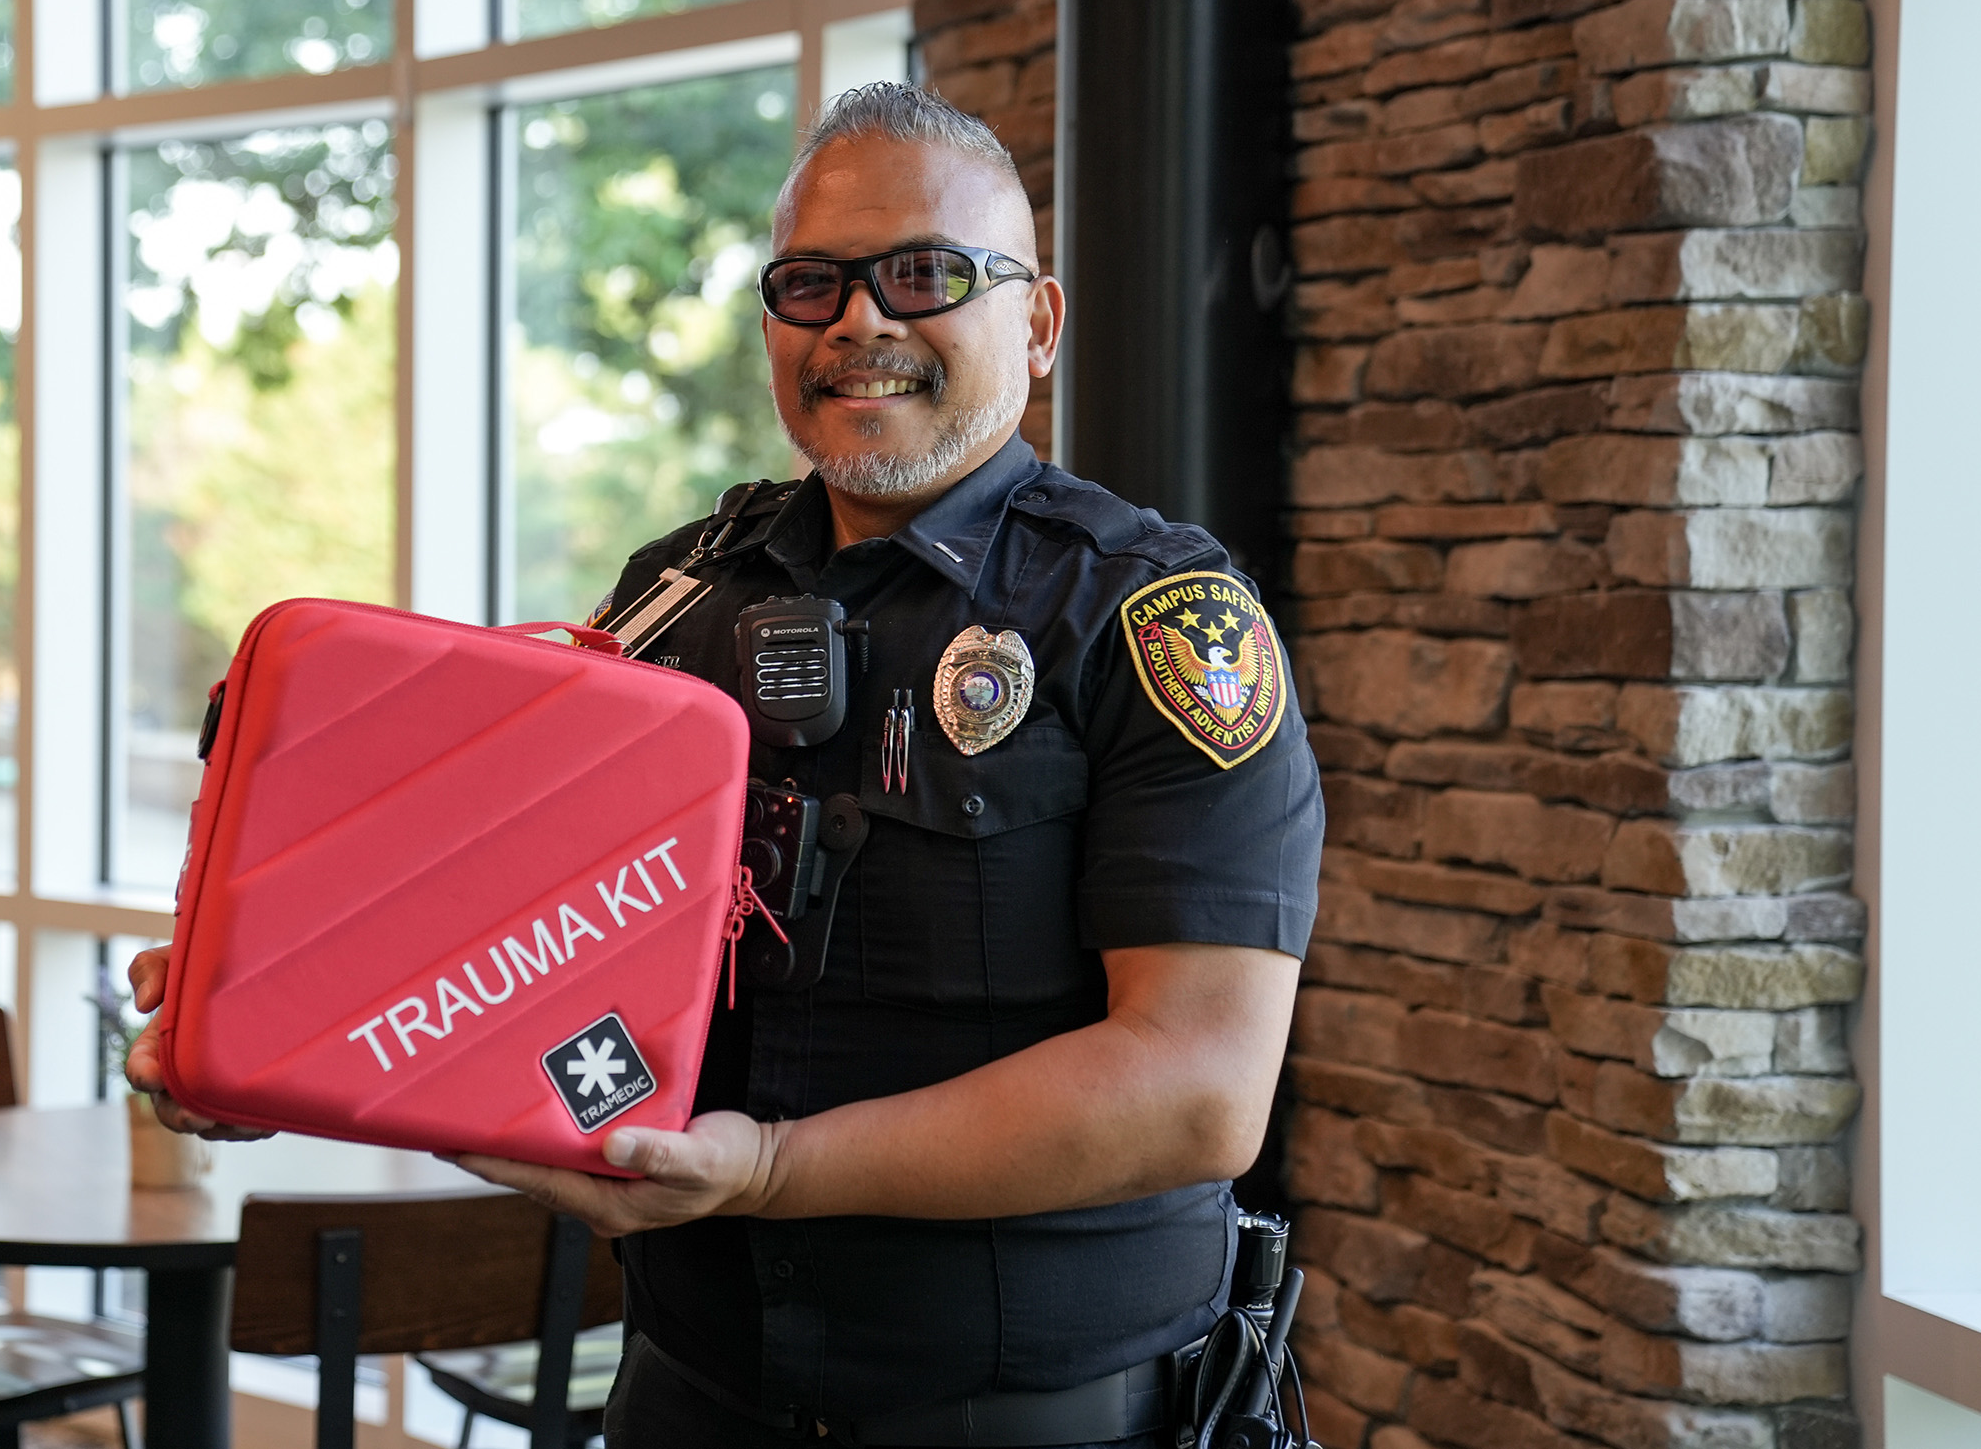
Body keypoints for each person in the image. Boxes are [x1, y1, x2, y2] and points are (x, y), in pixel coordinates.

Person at [125, 83, 1323, 1448]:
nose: (862, 320)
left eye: (926, 274)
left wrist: (770, 1170)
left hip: (1034, 1420)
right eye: (813, 283)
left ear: (1037, 323)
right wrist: (264, 1028)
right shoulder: (670, 601)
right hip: (688, 1393)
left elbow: (1200, 1086)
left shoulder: (1153, 617)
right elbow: (510, 947)